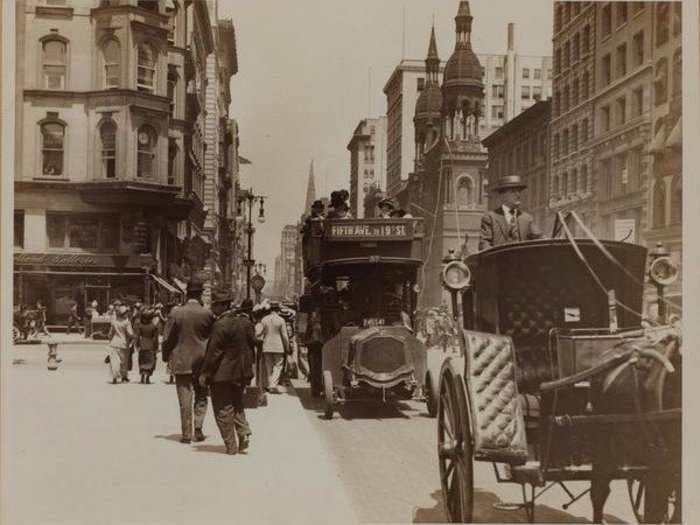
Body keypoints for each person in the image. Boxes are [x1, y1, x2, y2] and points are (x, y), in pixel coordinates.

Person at [199, 290, 256, 455]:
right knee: (237, 403)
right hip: (241, 373)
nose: (213, 309)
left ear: (224, 305)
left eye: (215, 305)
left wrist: (205, 373)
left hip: (222, 374)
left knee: (223, 408)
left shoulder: (220, 325)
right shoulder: (244, 322)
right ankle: (243, 432)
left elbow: (213, 353)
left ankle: (231, 445)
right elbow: (252, 343)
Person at [162, 279, 215, 444]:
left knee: (185, 398)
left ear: (186, 294)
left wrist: (166, 356)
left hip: (182, 360)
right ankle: (198, 428)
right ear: (200, 294)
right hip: (202, 361)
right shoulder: (207, 314)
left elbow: (167, 338)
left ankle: (186, 433)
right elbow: (213, 338)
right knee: (201, 395)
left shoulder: (176, 313)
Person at [479, 174, 542, 251]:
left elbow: (540, 240)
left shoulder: (527, 219)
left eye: (519, 191)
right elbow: (484, 246)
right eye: (513, 192)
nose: (518, 195)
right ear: (502, 196)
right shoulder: (490, 218)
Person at [258, 300, 291, 394]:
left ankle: (270, 384)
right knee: (278, 366)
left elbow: (259, 332)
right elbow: (284, 336)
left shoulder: (264, 319)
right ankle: (273, 384)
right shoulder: (281, 320)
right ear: (278, 310)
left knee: (269, 366)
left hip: (267, 345)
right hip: (278, 346)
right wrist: (287, 347)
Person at [107, 305, 135, 384]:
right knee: (124, 362)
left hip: (114, 343)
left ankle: (114, 377)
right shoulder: (126, 322)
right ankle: (124, 377)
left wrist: (110, 340)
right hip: (123, 343)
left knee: (114, 361)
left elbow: (110, 334)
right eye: (126, 312)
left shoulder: (114, 321)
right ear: (124, 313)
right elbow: (130, 333)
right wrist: (134, 337)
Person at [135, 309, 158, 384]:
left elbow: (137, 337)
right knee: (150, 362)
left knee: (142, 361)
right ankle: (147, 378)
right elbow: (155, 338)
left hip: (142, 345)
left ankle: (142, 378)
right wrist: (156, 347)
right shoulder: (153, 326)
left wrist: (137, 345)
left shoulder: (140, 326)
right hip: (150, 345)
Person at [306, 310, 324, 398]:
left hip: (313, 348)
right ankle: (317, 388)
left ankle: (315, 389)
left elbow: (307, 336)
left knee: (314, 369)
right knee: (317, 368)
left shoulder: (311, 325)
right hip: (319, 347)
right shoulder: (321, 325)